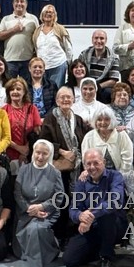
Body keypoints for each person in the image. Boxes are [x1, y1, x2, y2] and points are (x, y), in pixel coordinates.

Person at [63, 148, 128, 267]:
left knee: (107, 213)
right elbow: (73, 209)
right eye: (88, 164)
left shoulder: (115, 176)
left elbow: (115, 201)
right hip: (92, 227)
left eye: (96, 163)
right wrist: (81, 216)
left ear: (103, 162)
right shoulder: (81, 182)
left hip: (115, 226)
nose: (92, 167)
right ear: (84, 165)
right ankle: (102, 248)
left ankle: (106, 259)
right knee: (70, 260)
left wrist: (91, 214)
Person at [38, 86, 91, 242]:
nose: (66, 100)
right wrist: (62, 152)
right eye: (62, 97)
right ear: (56, 100)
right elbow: (43, 142)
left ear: (74, 100)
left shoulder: (78, 119)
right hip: (58, 169)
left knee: (76, 200)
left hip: (76, 168)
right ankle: (59, 235)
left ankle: (73, 233)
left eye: (69, 97)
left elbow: (84, 141)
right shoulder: (50, 118)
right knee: (60, 200)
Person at [14, 139, 63, 267]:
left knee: (36, 229)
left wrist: (42, 206)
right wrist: (29, 208)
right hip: (25, 212)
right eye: (38, 152)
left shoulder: (55, 173)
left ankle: (43, 257)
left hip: (46, 212)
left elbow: (59, 197)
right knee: (21, 245)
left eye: (45, 154)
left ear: (50, 155)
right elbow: (17, 193)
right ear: (33, 152)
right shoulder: (24, 169)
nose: (40, 157)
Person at [0, 0, 39, 81]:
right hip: (10, 60)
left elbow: (38, 38)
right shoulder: (6, 19)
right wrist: (14, 30)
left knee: (27, 88)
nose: (19, 3)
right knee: (9, 87)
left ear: (26, 4)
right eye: (17, 1)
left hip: (28, 60)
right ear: (13, 4)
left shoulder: (33, 18)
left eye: (22, 1)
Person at [80, 106, 133, 176]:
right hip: (96, 175)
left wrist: (120, 176)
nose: (103, 122)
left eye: (106, 119)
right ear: (95, 121)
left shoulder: (121, 134)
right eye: (99, 119)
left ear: (112, 120)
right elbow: (85, 159)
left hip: (121, 174)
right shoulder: (89, 137)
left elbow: (127, 158)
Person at [2, 77, 41, 167]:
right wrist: (19, 148)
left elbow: (37, 132)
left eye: (18, 89)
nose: (15, 91)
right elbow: (2, 135)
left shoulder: (32, 109)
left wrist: (25, 151)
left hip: (29, 154)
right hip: (8, 155)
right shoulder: (3, 110)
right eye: (12, 89)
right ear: (8, 92)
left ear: (24, 92)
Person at [32, 4, 72, 87]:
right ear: (42, 15)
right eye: (46, 12)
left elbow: (68, 49)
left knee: (56, 91)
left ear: (55, 15)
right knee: (44, 92)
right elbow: (36, 48)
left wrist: (69, 65)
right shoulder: (37, 31)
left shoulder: (60, 29)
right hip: (42, 67)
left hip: (58, 65)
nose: (48, 14)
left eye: (51, 12)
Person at [78, 30, 120, 103]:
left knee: (108, 92)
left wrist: (97, 86)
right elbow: (77, 70)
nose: (99, 41)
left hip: (103, 87)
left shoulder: (114, 58)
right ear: (92, 40)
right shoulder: (84, 54)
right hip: (86, 84)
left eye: (102, 38)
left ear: (106, 40)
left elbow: (113, 81)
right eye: (96, 38)